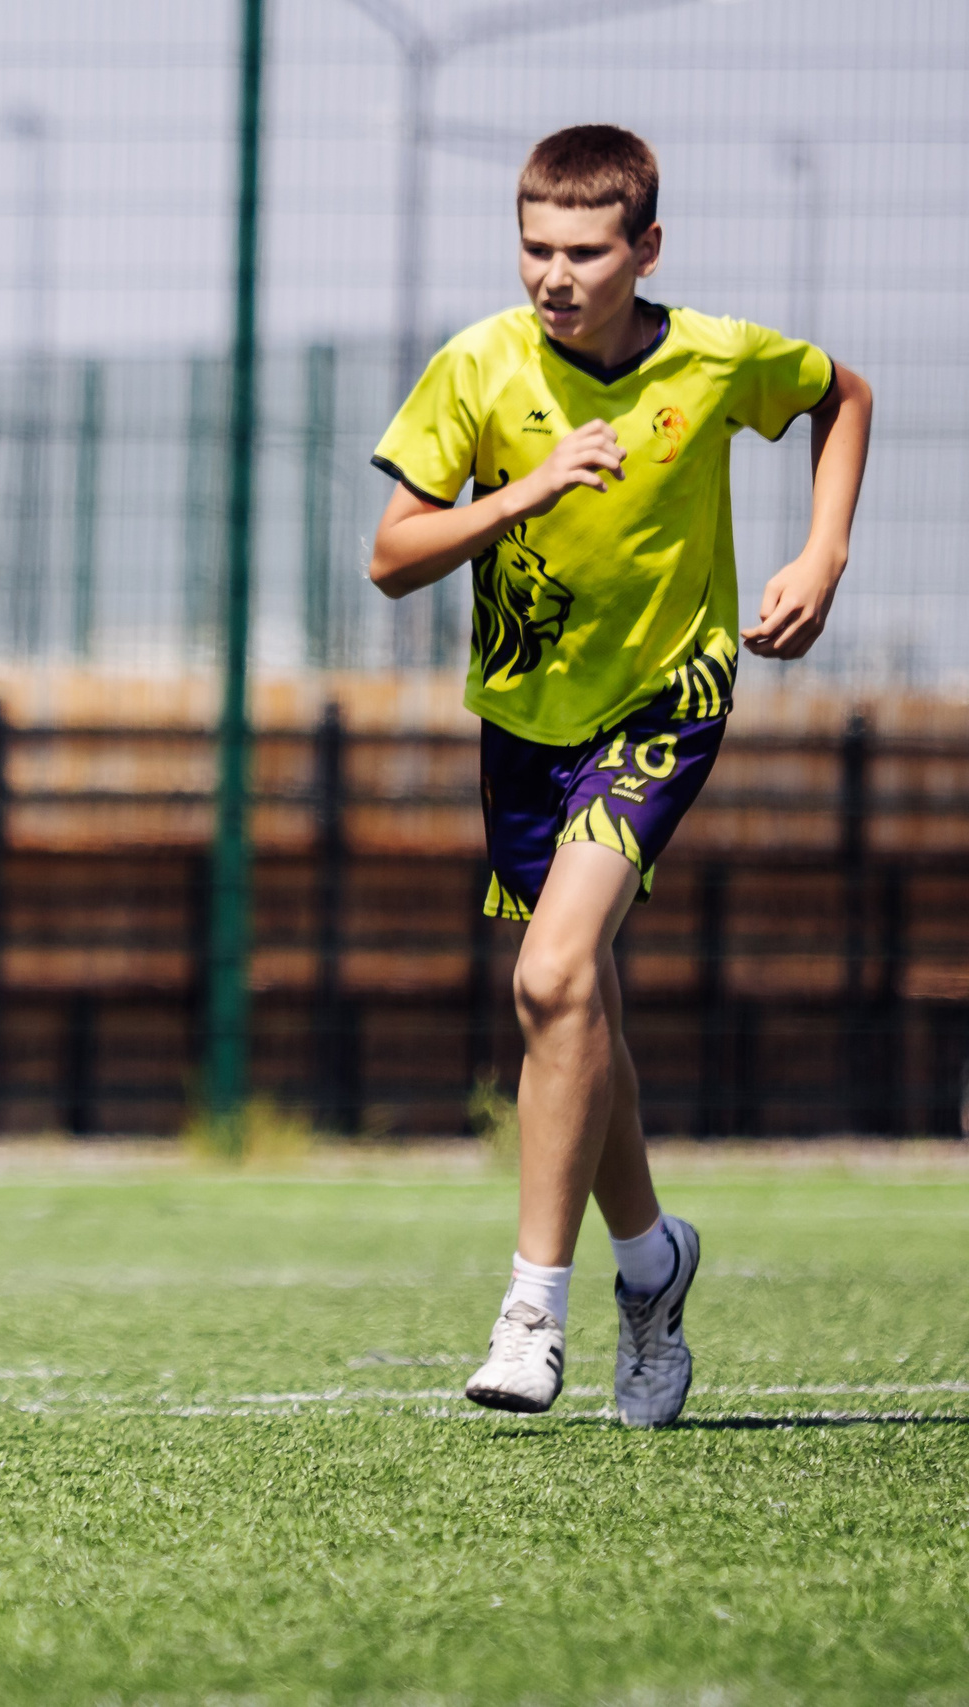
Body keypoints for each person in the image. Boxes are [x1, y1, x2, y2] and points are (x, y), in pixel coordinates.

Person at [367, 126, 871, 1425]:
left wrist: (821, 555)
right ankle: (655, 1261)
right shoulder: (478, 365)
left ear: (644, 249)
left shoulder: (711, 359)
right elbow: (393, 556)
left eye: (585, 250)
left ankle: (536, 1307)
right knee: (571, 1005)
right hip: (527, 724)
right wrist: (519, 494)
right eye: (535, 246)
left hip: (667, 698)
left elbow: (841, 393)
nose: (554, 272)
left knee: (549, 974)